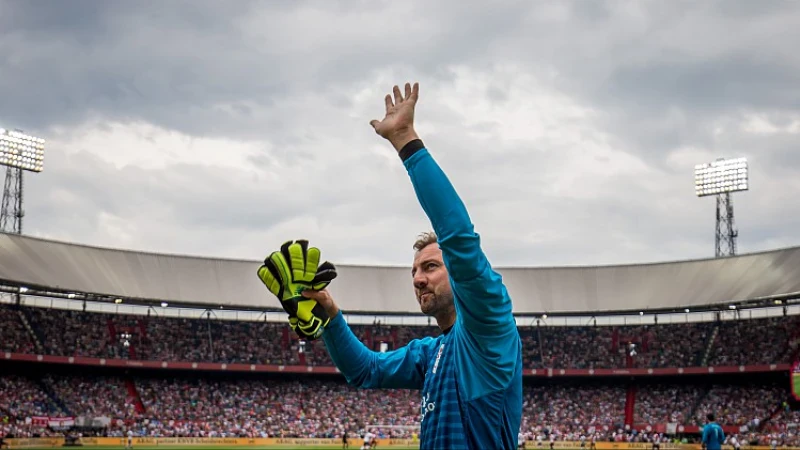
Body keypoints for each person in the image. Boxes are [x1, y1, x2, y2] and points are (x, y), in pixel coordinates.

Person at [302, 82, 523, 449]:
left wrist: (406, 141)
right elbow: (365, 370)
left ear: (460, 275)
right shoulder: (431, 352)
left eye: (431, 267)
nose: (419, 279)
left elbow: (459, 239)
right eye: (415, 271)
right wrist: (328, 314)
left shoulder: (489, 330)